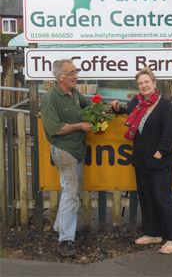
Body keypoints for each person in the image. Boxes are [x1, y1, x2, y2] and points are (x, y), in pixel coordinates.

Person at [111, 67, 172, 254]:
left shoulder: (165, 105)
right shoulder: (136, 102)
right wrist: (118, 109)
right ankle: (153, 233)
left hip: (159, 162)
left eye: (146, 82)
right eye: (140, 83)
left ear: (154, 83)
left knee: (162, 199)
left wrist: (161, 151)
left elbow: (170, 132)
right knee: (146, 198)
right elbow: (129, 113)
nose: (144, 85)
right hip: (141, 161)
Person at [40, 59, 92, 257]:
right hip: (64, 151)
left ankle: (59, 227)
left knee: (70, 191)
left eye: (76, 72)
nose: (76, 76)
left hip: (77, 150)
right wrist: (79, 126)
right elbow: (55, 128)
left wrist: (108, 105)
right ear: (60, 77)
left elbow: (90, 105)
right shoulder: (51, 98)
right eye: (72, 73)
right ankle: (65, 240)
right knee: (71, 193)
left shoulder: (74, 93)